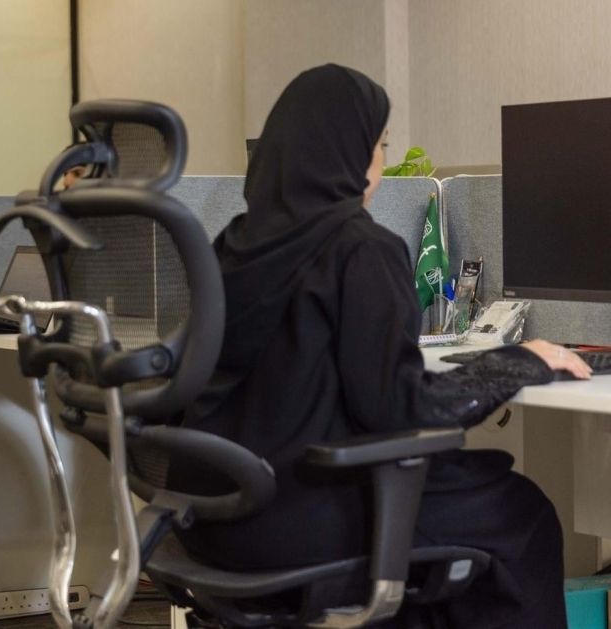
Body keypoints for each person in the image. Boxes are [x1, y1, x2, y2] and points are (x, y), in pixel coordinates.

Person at [171, 65, 588, 628]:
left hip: (217, 520)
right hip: (303, 520)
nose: (381, 165)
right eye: (379, 146)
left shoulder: (233, 244)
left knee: (461, 506)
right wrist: (517, 362)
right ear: (349, 154)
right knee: (522, 514)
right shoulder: (359, 248)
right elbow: (400, 410)